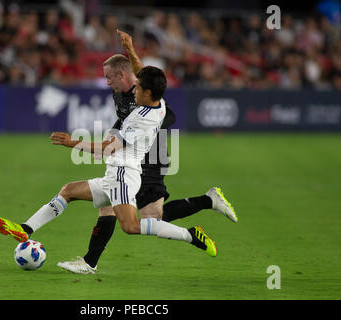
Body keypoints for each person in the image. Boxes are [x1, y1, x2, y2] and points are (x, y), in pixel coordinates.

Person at [56, 30, 237, 274]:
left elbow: (141, 82)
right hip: (140, 154)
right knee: (148, 215)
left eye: (110, 78)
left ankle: (89, 263)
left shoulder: (145, 104)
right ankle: (208, 201)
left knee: (133, 214)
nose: (109, 82)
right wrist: (130, 50)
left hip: (149, 157)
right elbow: (144, 76)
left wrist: (74, 143)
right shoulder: (146, 97)